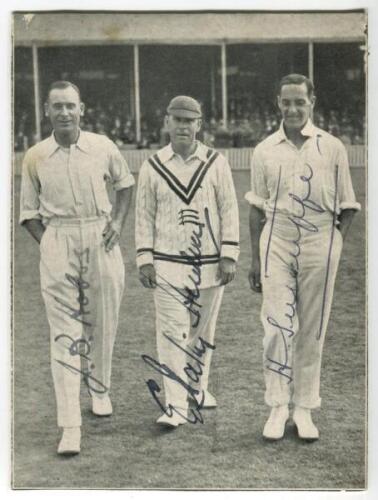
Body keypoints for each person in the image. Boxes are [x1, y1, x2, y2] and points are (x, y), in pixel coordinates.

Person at [19, 81, 135, 454]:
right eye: (57, 106)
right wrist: (52, 246)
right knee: (64, 333)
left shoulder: (102, 146)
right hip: (58, 239)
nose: (64, 112)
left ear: (82, 109)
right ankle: (70, 424)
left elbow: (125, 183)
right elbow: (27, 215)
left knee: (103, 322)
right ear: (46, 111)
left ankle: (100, 388)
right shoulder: (35, 155)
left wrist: (117, 222)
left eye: (70, 106)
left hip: (99, 236)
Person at [245, 74, 360, 441]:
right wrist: (253, 260)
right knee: (277, 326)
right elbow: (255, 209)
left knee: (312, 328)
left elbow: (348, 206)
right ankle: (278, 406)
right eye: (286, 102)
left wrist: (332, 243)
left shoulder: (333, 147)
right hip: (276, 241)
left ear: (312, 102)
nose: (292, 109)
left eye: (300, 102)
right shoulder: (264, 149)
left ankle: (304, 408)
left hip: (320, 241)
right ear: (277, 103)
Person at [136, 96, 239, 427]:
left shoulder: (216, 162)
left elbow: (229, 209)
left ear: (199, 124)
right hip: (166, 264)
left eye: (188, 120)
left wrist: (229, 254)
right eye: (176, 120)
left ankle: (199, 388)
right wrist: (144, 258)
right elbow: (143, 216)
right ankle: (175, 405)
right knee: (171, 333)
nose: (182, 126)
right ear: (166, 122)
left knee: (202, 331)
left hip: (209, 263)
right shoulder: (152, 165)